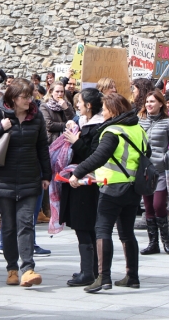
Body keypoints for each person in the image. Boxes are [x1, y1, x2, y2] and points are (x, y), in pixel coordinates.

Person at [70, 93, 147, 292]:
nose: (102, 112)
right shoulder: (138, 129)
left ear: (113, 111)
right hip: (133, 188)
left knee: (102, 230)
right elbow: (147, 154)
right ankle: (132, 276)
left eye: (104, 109)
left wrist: (77, 173)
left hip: (112, 188)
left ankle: (103, 278)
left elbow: (99, 157)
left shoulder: (112, 131)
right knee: (127, 233)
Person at [0, 79, 50, 288]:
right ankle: (11, 268)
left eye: (31, 96)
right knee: (9, 226)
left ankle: (28, 269)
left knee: (25, 224)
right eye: (25, 97)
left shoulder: (37, 116)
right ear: (13, 99)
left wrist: (46, 175)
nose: (29, 100)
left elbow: (42, 147)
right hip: (3, 179)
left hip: (30, 178)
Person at [60, 88, 103, 287]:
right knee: (83, 227)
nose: (76, 104)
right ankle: (90, 268)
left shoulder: (98, 127)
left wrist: (76, 141)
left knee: (84, 227)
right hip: (78, 182)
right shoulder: (84, 123)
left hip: (87, 183)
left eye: (80, 102)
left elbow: (93, 156)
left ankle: (88, 271)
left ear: (89, 106)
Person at [138, 90, 169, 254]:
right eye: (147, 101)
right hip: (144, 169)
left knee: (158, 205)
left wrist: (166, 157)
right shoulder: (140, 122)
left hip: (160, 169)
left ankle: (166, 239)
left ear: (161, 104)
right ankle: (153, 243)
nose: (149, 104)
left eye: (152, 101)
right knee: (148, 207)